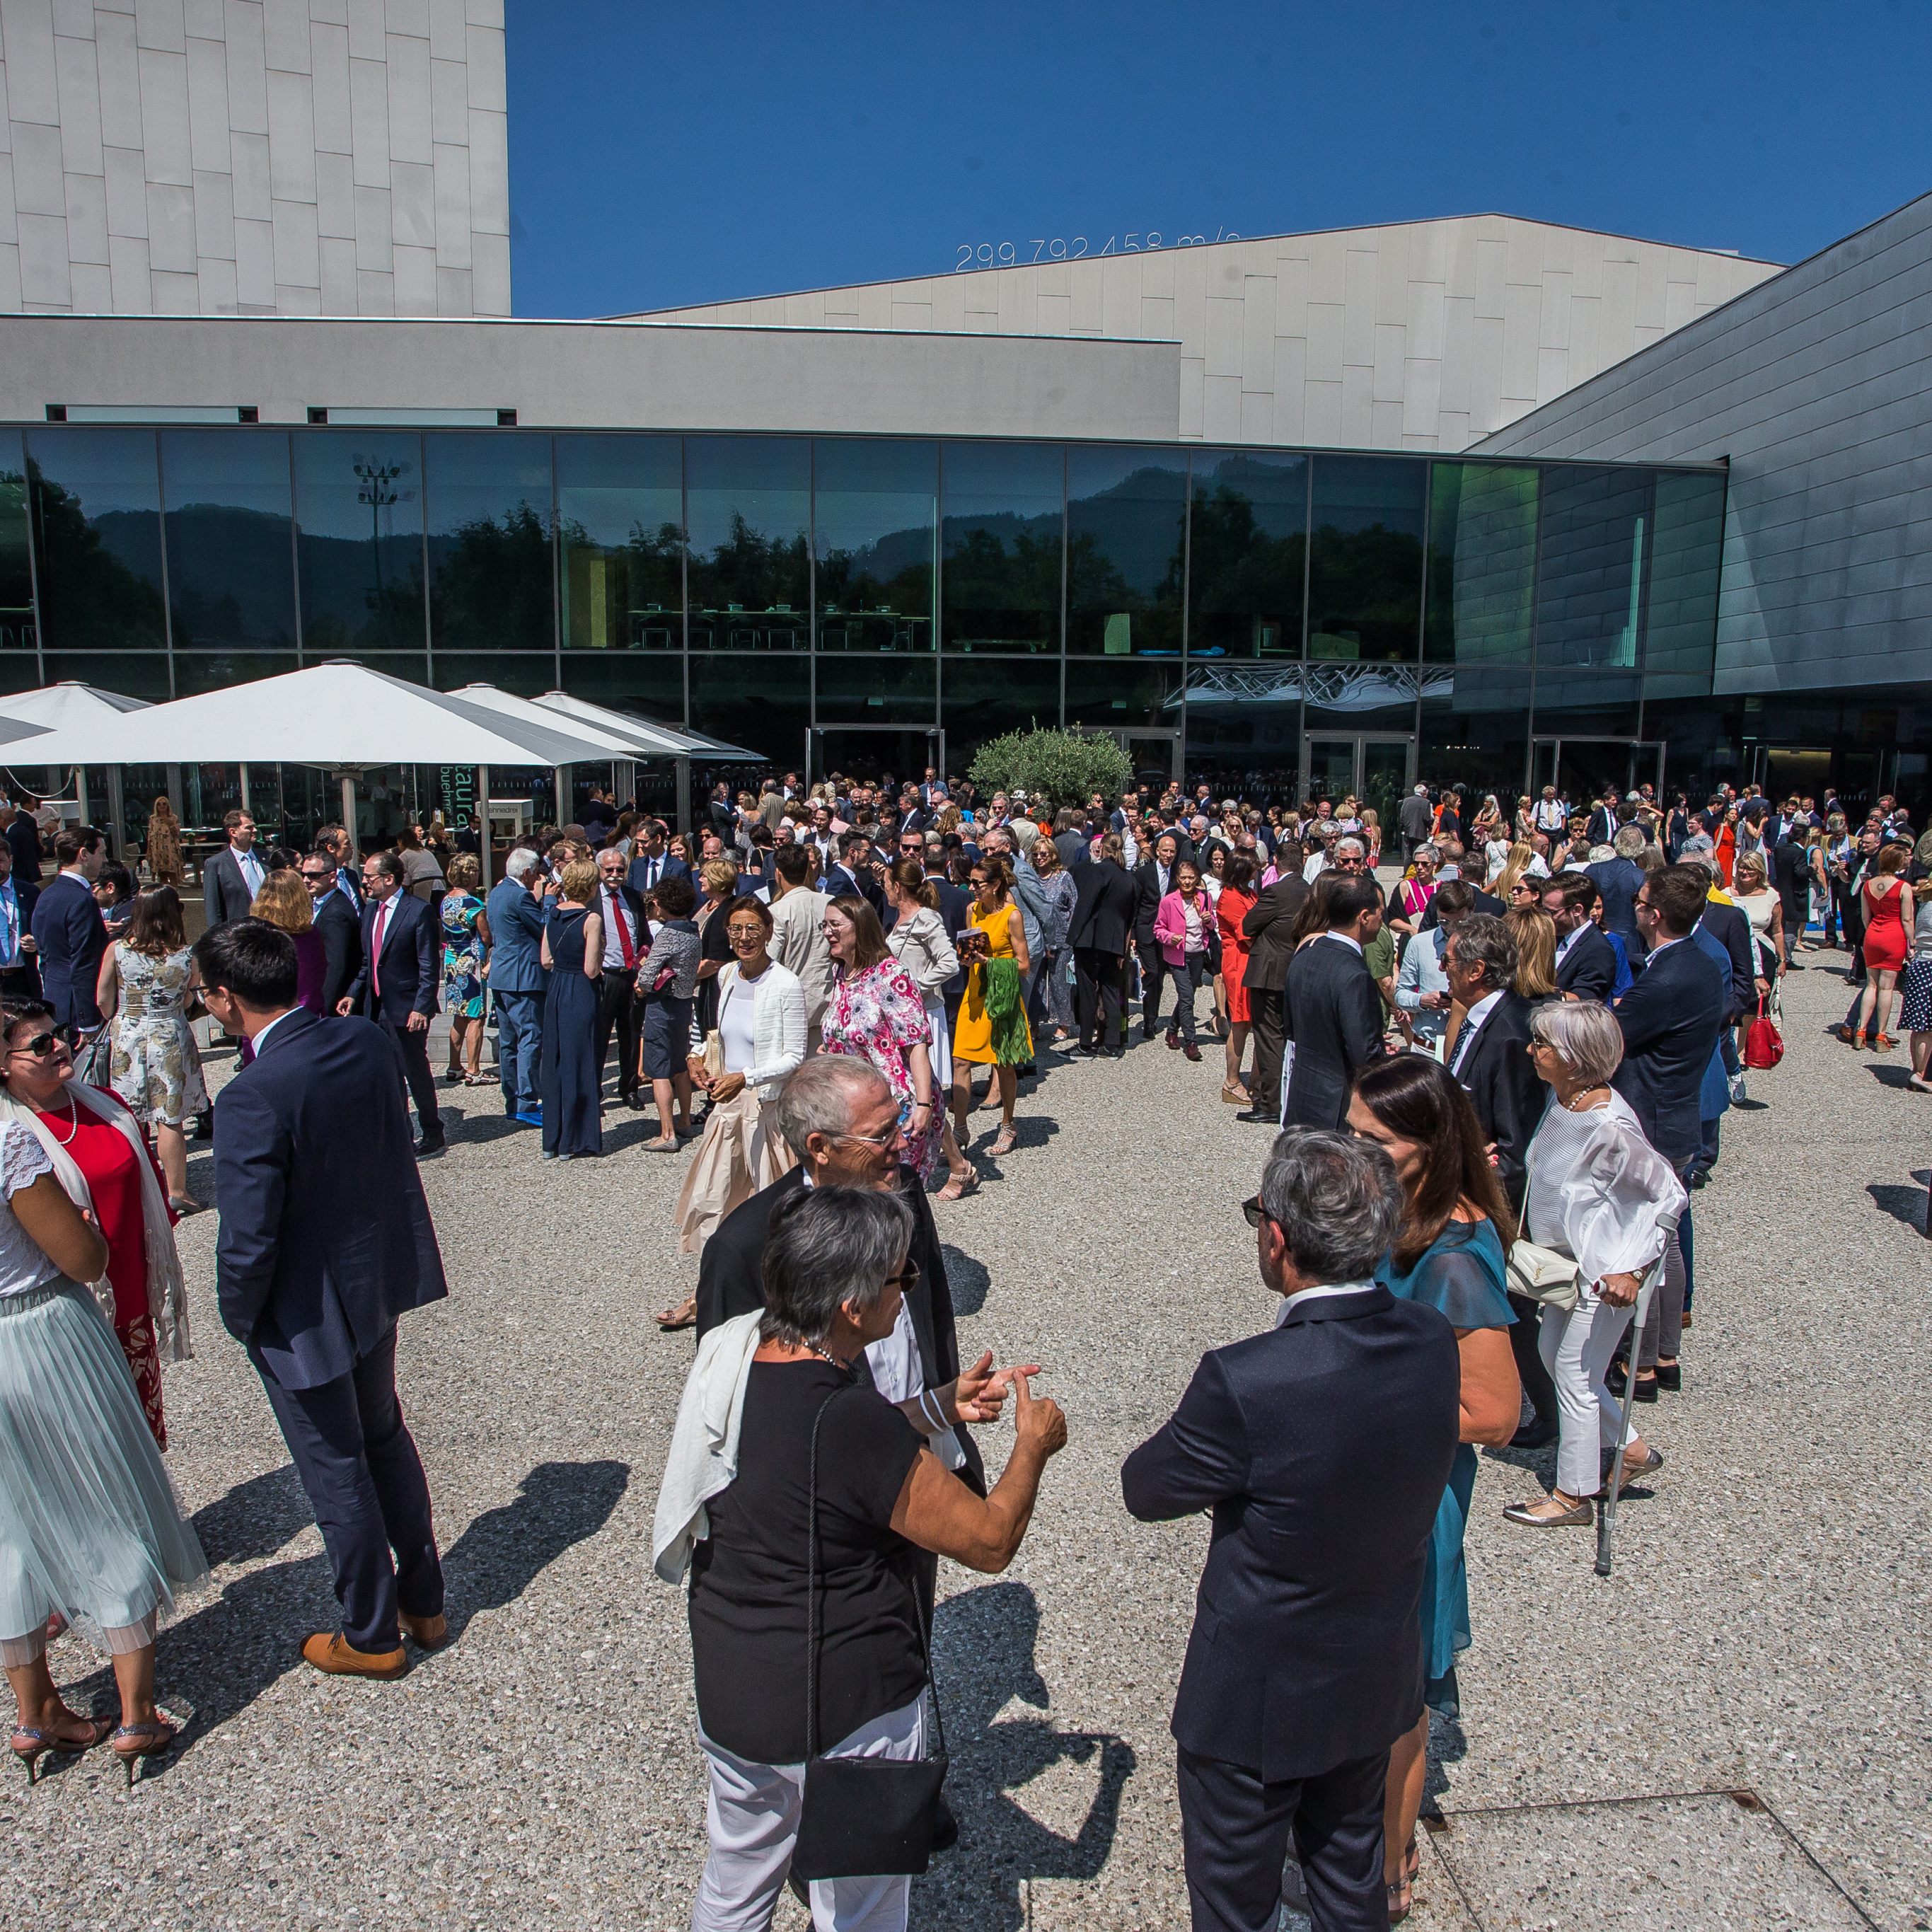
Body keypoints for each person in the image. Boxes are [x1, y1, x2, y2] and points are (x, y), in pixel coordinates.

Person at [666, 1184, 1063, 1932]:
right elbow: (988, 1539)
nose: (907, 1290)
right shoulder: (848, 1417)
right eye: (898, 1278)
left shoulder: (736, 1356)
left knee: (738, 1876)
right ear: (852, 1306)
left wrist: (939, 1404)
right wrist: (1030, 1449)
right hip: (846, 1708)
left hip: (735, 1688)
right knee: (862, 1908)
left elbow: (833, 1458)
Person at [1123, 1129, 1459, 1932]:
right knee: (1348, 1881)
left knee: (1236, 1900)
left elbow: (1146, 1486)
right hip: (1373, 1671)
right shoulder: (1428, 1339)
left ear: (1277, 1238)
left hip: (1255, 1697)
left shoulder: (1246, 1378)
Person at [192, 918, 448, 1680]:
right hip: (372, 1278)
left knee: (335, 1464)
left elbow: (247, 1236)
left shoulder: (251, 1095)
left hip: (303, 1304)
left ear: (227, 1000)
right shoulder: (364, 1041)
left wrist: (239, 1314)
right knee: (383, 1437)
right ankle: (425, 1599)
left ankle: (371, 1633)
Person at [1346, 1055, 1520, 1919]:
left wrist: (1364, 1398)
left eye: (1374, 1139)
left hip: (1418, 1496)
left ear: (1430, 1143)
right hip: (1378, 1481)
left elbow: (1494, 1411)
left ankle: (1391, 1856)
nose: (1356, 1149)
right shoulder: (1397, 1212)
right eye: (1350, 1132)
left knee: (1396, 1696)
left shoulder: (1451, 1256)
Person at [0, 1093, 207, 1785]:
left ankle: (35, 1713)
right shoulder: (8, 1141)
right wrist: (83, 1229)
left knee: (10, 1533)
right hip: (37, 1331)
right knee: (104, 1508)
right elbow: (83, 1258)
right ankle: (136, 1712)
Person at [1505, 1000, 1684, 1529]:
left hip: (1604, 1272)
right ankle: (1629, 1449)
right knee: (1550, 1350)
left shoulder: (1607, 1122)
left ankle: (1572, 1494)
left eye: (1544, 1044)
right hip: (1568, 1265)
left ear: (1577, 1057)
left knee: (1575, 1373)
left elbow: (1666, 1195)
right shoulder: (1565, 1100)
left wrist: (1629, 1270)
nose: (1532, 1050)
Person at [0, 1000, 192, 1452]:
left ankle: (154, 1518)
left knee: (142, 1434)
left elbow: (150, 1180)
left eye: (60, 1033)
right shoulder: (8, 1136)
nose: (60, 1047)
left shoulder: (107, 1104)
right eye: (41, 1044)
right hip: (68, 1302)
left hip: (129, 1288)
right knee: (92, 1441)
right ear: (4, 1066)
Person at [1612, 866, 1728, 1400]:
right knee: (1667, 1242)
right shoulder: (1703, 963)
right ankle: (1665, 1354)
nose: (1634, 908)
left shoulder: (1664, 977)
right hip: (1678, 1114)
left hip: (1650, 1118)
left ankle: (1639, 1366)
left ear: (1653, 914)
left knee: (1642, 1243)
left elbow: (1613, 1035)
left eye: (1638, 901)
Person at [673, 895, 805, 1256]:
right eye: (736, 929)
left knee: (767, 1200)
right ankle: (714, 1284)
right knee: (715, 1198)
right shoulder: (727, 974)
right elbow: (721, 1033)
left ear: (768, 932)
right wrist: (697, 1055)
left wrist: (745, 1078)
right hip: (727, 1106)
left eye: (752, 929)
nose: (744, 938)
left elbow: (794, 1057)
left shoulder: (785, 984)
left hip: (764, 1109)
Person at [96, 887, 208, 1216]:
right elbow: (190, 1000)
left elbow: (103, 1000)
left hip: (129, 1031)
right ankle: (177, 1190)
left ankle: (135, 1184)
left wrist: (122, 1017)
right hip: (169, 1032)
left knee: (128, 1112)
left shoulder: (117, 950)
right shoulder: (186, 955)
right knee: (168, 1116)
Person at [821, 896, 944, 1186]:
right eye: (824, 925)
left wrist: (923, 1106)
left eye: (835, 925)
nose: (827, 932)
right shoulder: (843, 973)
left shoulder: (891, 975)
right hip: (856, 1107)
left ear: (860, 926)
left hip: (897, 1108)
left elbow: (917, 1045)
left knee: (894, 1197)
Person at [340, 850, 444, 1158]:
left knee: (414, 1071)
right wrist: (353, 993)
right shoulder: (370, 912)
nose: (366, 882)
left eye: (370, 877)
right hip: (376, 1006)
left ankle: (432, 1131)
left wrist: (421, 1007)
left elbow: (428, 966)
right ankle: (401, 1132)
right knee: (387, 1073)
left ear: (389, 879)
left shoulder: (418, 911)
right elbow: (367, 961)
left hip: (406, 1006)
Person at [882, 857, 976, 1201]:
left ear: (898, 886)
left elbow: (949, 962)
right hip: (900, 1018)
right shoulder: (900, 918)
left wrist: (915, 986)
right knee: (910, 1094)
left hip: (923, 1014)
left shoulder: (925, 917)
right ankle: (940, 1162)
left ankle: (958, 1166)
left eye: (887, 883)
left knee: (927, 1096)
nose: (884, 889)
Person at [1280, 873, 1385, 1130]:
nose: (1382, 919)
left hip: (1302, 1097)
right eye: (1380, 912)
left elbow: (1290, 1027)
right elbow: (1363, 1054)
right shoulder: (1354, 975)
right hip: (1337, 1107)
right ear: (1364, 917)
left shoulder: (1305, 956)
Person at [951, 855, 1031, 1163]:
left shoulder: (1012, 915)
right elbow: (972, 945)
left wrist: (990, 963)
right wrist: (967, 958)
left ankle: (1008, 1124)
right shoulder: (972, 910)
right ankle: (960, 1129)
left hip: (1002, 996)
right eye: (970, 881)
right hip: (975, 993)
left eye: (977, 883)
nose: (970, 888)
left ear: (996, 885)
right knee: (960, 1060)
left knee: (1003, 1062)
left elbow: (1024, 966)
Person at [537, 857, 603, 1162]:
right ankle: (576, 1139)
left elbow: (546, 960)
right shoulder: (591, 919)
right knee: (580, 1060)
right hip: (579, 989)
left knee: (555, 1059)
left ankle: (552, 1138)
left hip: (557, 988)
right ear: (589, 886)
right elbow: (591, 969)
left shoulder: (553, 913)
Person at [633, 872, 700, 1152]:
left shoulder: (668, 934)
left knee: (659, 1068)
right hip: (684, 1001)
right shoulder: (693, 931)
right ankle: (684, 1120)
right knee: (679, 1064)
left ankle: (667, 1132)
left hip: (662, 1004)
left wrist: (641, 985)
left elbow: (648, 975)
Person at [1238, 862, 1311, 1122]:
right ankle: (1291, 1097)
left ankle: (1270, 1105)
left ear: (1278, 865)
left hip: (1270, 973)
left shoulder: (1276, 891)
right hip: (1299, 969)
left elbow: (1248, 925)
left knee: (1269, 1039)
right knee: (1291, 1037)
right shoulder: (1311, 891)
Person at [485, 847, 548, 1127]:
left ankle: (512, 1100)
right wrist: (547, 901)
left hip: (502, 975)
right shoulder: (521, 895)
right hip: (524, 978)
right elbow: (542, 927)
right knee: (529, 1039)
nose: (538, 877)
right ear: (527, 872)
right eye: (535, 872)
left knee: (509, 1043)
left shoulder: (497, 893)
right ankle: (526, 1101)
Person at [30, 828, 108, 1040]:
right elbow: (84, 963)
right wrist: (88, 1021)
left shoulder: (46, 895)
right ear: (84, 854)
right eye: (101, 853)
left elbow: (45, 957)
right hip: (78, 1008)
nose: (104, 860)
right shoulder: (82, 900)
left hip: (55, 999)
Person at [1066, 832, 1138, 1055]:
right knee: (1110, 991)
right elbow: (1130, 918)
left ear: (1103, 849)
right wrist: (1124, 948)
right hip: (1115, 942)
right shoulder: (1129, 879)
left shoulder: (1097, 872)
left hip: (1090, 939)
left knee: (1088, 992)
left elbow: (1085, 905)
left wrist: (1072, 938)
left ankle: (1085, 1043)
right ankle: (1113, 1043)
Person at [591, 847, 648, 1109]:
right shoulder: (591, 899)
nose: (615, 875)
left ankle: (630, 1088)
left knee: (632, 1034)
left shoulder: (633, 897)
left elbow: (644, 937)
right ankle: (594, 1092)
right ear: (599, 871)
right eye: (609, 870)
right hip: (605, 976)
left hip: (631, 975)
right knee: (599, 1037)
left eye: (620, 870)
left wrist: (644, 963)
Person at [1846, 845, 1914, 1049]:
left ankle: (1861, 1030)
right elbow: (1907, 919)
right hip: (1894, 936)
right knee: (1886, 988)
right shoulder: (1903, 887)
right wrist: (1911, 943)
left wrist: (1874, 931)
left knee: (1871, 985)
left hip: (1874, 934)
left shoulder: (1868, 885)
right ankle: (1881, 1034)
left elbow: (1866, 917)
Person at [768, 843, 834, 1047]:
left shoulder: (777, 911)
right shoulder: (831, 902)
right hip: (829, 1003)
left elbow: (770, 960)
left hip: (793, 1009)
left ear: (778, 873)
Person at [436, 852, 491, 1086]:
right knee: (476, 1017)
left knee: (458, 1015)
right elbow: (486, 936)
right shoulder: (473, 904)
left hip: (451, 960)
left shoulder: (446, 901)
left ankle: (454, 1066)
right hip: (470, 962)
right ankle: (474, 1069)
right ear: (469, 874)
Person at [1153, 857, 1214, 1063]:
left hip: (1198, 953)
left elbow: (1213, 925)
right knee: (1187, 997)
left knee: (1187, 996)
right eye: (1183, 878)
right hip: (1178, 954)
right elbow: (1158, 929)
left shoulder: (1205, 898)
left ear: (1197, 879)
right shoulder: (1169, 901)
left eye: (1191, 878)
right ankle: (1191, 1042)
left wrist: (1209, 920)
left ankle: (1172, 1030)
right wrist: (1171, 937)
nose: (1187, 882)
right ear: (1177, 879)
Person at [245, 868, 328, 1017]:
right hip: (301, 1019)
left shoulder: (251, 936)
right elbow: (312, 984)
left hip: (260, 1021)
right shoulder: (310, 936)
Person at [1217, 852, 1258, 1104]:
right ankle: (1232, 1081)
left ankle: (1255, 1079)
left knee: (1252, 1022)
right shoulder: (1230, 898)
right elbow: (1247, 933)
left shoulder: (1248, 894)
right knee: (1241, 1022)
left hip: (1250, 960)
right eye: (1253, 869)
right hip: (1239, 962)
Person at [301, 847, 362, 1015]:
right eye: (303, 875)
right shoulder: (322, 902)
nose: (306, 880)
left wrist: (324, 1007)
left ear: (332, 876)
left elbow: (336, 965)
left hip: (332, 1004)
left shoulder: (336, 913)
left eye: (313, 876)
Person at [1545, 873, 1618, 1002]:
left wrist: (1537, 993)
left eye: (1552, 912)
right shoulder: (1554, 936)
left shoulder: (1599, 949)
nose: (1545, 917)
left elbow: (1585, 999)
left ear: (1577, 910)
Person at [144, 797, 183, 888]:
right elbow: (150, 836)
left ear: (168, 805)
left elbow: (176, 834)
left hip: (171, 849)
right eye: (159, 804)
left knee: (173, 873)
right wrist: (148, 853)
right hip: (158, 849)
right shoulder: (153, 819)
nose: (162, 806)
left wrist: (170, 824)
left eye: (164, 804)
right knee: (162, 875)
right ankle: (165, 895)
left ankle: (174, 894)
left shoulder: (174, 818)